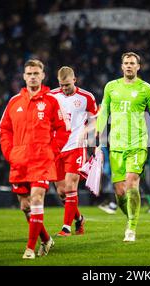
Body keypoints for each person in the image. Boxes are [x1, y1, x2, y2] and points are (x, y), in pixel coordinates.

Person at [95, 52, 150, 242]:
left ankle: (131, 228)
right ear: (121, 66)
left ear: (138, 67)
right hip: (116, 145)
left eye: (132, 63)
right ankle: (131, 216)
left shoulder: (146, 89)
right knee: (120, 192)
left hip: (138, 144)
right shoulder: (111, 87)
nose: (129, 66)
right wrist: (97, 136)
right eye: (126, 63)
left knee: (132, 182)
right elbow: (104, 111)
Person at [0, 59, 69, 259]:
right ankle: (46, 239)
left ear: (43, 76)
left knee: (37, 198)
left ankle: (30, 248)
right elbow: (4, 129)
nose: (32, 77)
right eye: (29, 73)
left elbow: (63, 129)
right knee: (25, 206)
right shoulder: (14, 102)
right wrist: (10, 153)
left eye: (36, 73)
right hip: (19, 160)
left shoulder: (51, 101)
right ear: (23, 76)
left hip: (42, 160)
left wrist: (52, 151)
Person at [49, 66, 98, 237]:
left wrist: (85, 132)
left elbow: (95, 120)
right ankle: (79, 219)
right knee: (62, 192)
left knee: (70, 186)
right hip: (56, 148)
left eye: (67, 85)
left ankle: (66, 228)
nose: (64, 88)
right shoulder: (52, 96)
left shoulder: (86, 97)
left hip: (76, 146)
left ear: (74, 80)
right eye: (62, 85)